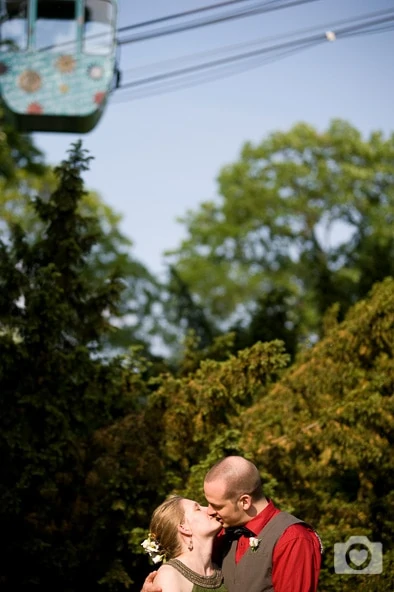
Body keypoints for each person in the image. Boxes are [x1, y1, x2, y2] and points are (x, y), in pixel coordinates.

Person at [142, 456, 322, 592]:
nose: (210, 511)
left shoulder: (293, 539)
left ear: (245, 502)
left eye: (217, 505)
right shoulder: (221, 535)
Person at [141, 495, 227, 592]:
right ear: (184, 528)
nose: (208, 509)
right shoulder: (170, 576)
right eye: (197, 509)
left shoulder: (224, 566)